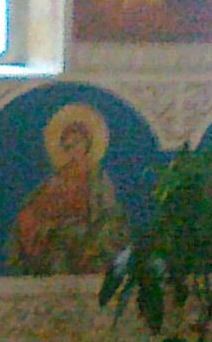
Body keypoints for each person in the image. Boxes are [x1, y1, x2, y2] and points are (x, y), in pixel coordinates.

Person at [7, 104, 128, 277]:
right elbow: (36, 208)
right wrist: (36, 222)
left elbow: (110, 213)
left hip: (87, 237)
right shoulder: (56, 180)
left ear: (87, 145)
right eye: (68, 146)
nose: (73, 151)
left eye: (77, 144)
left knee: (69, 243)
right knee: (56, 248)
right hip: (57, 237)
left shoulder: (98, 179)